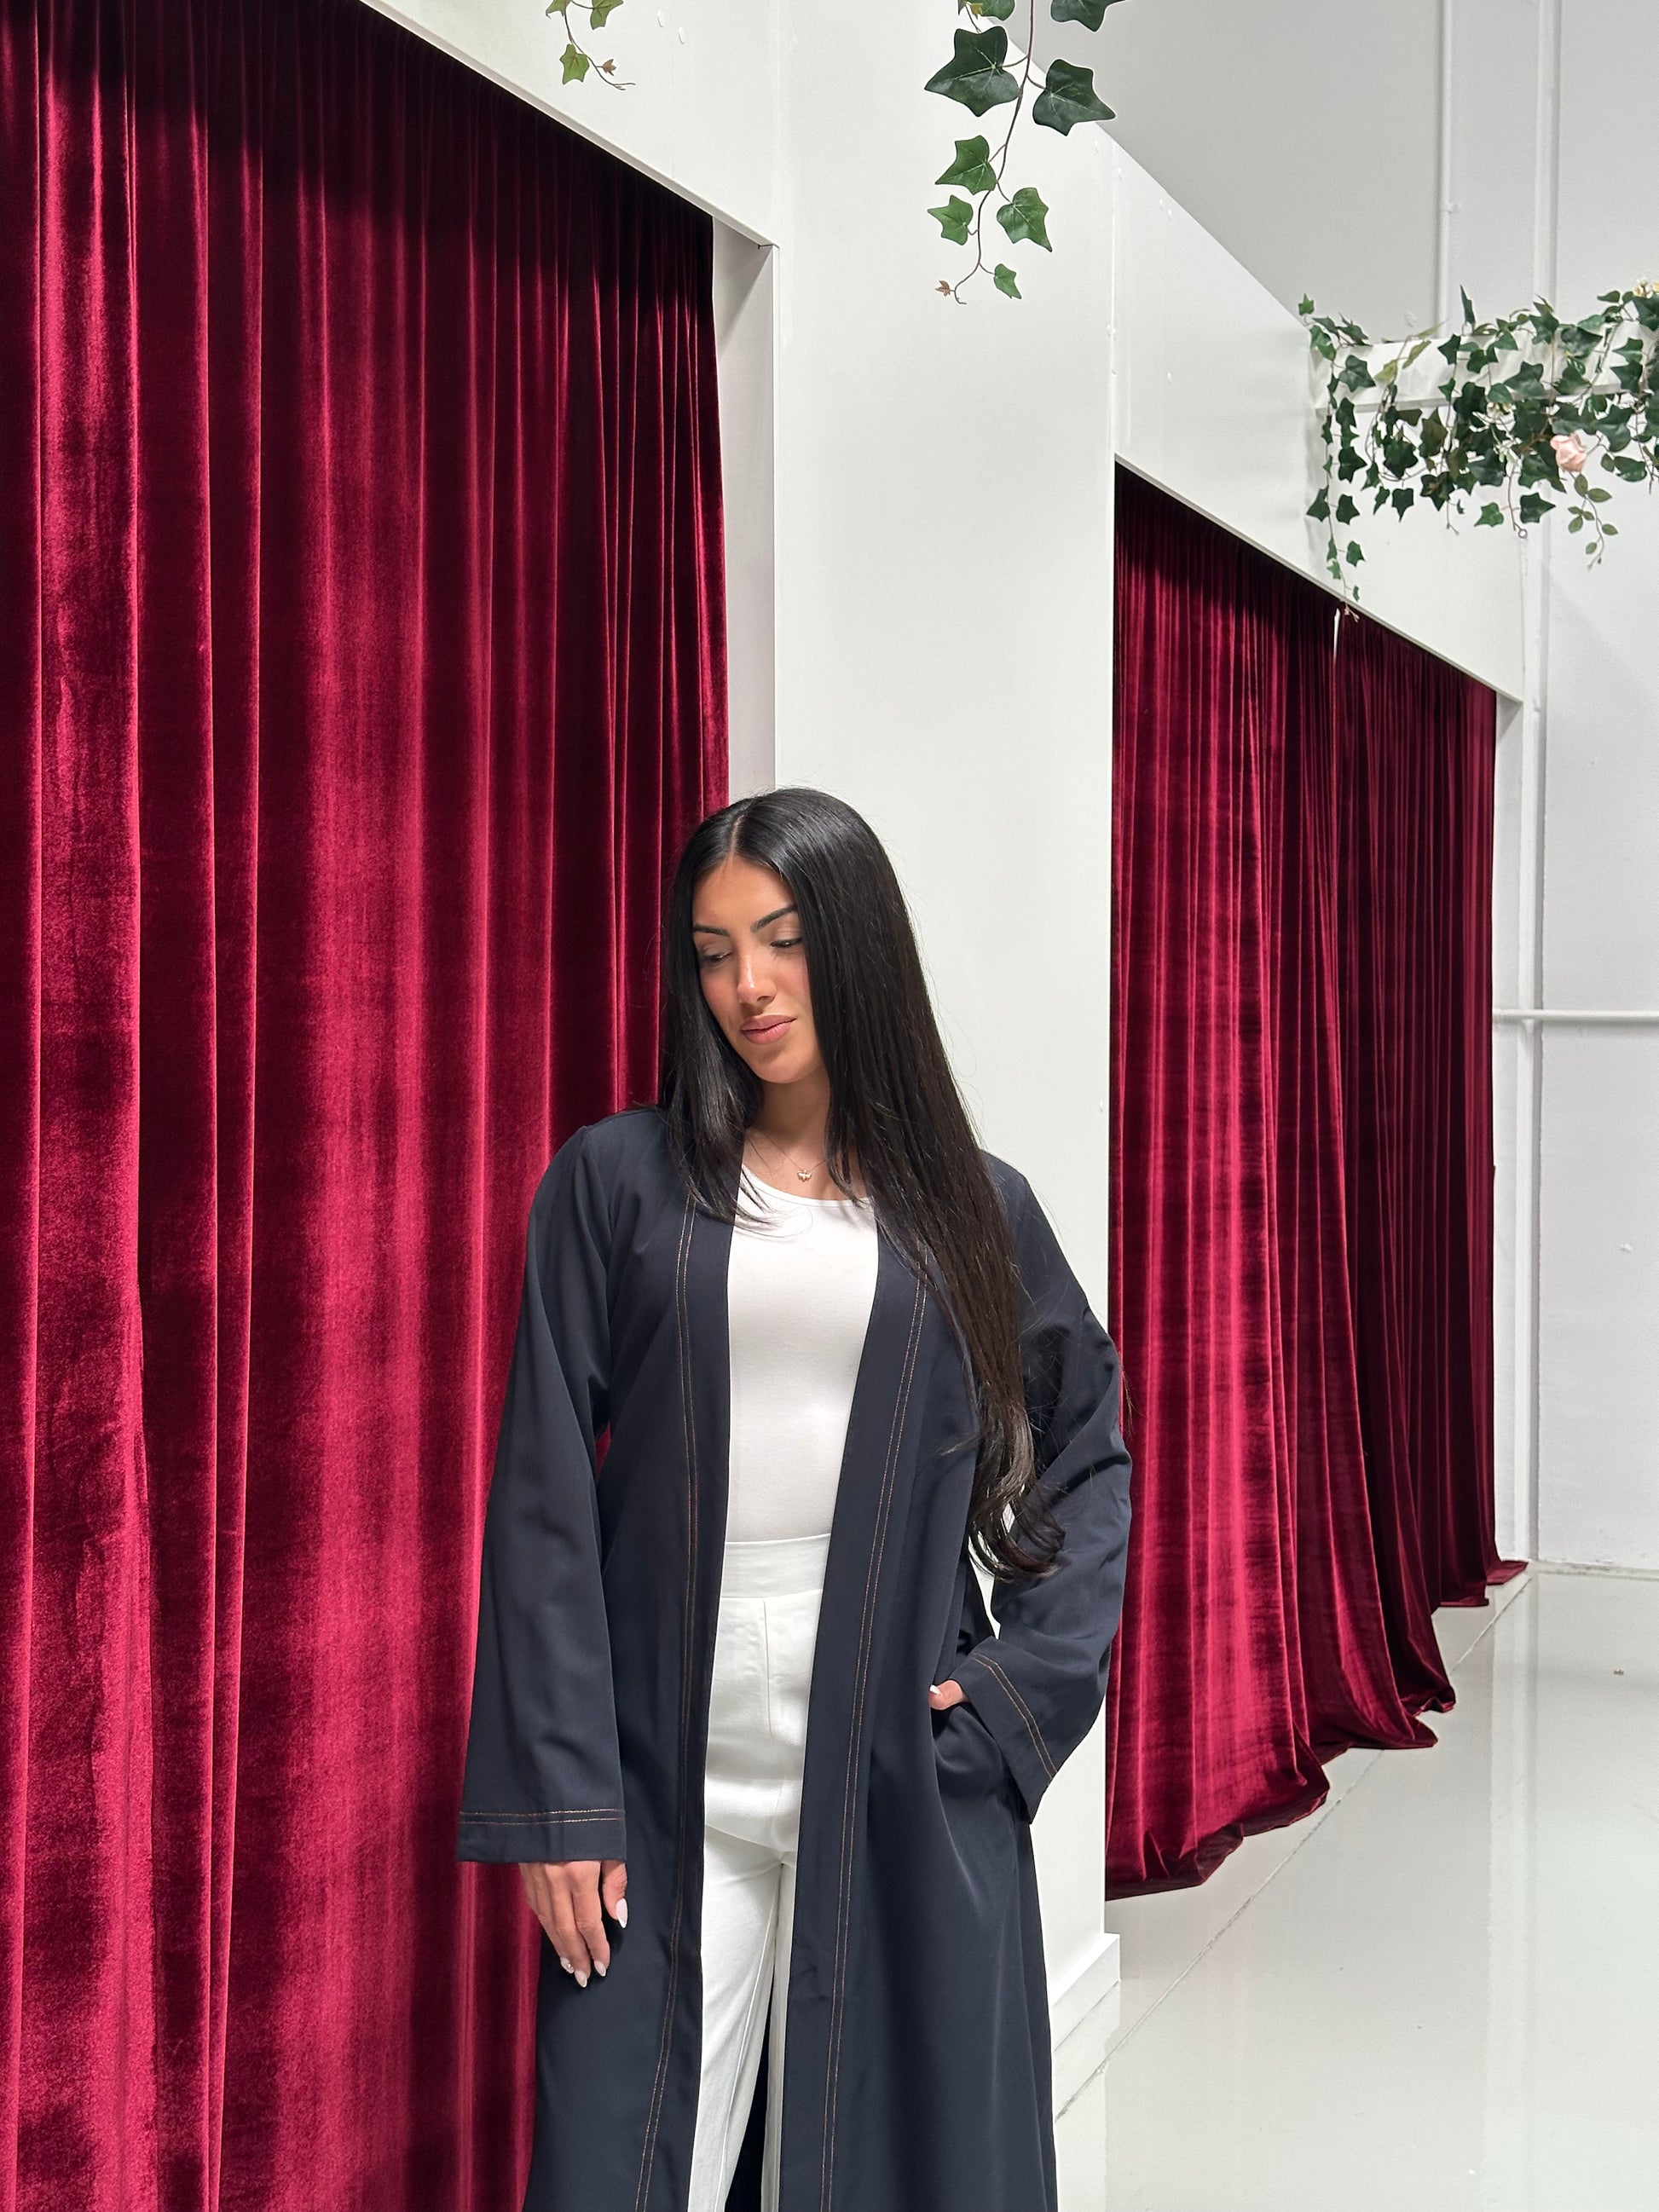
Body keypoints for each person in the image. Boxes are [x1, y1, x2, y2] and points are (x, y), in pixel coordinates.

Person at [456, 784, 1133, 2212]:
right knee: (619, 2159)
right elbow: (542, 1501)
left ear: (854, 942)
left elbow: (1086, 1448)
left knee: (900, 2154)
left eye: (781, 939)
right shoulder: (615, 1184)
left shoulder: (973, 1207)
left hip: (896, 1743)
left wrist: (1013, 1698)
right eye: (712, 953)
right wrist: (563, 1799)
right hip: (662, 1757)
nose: (747, 987)